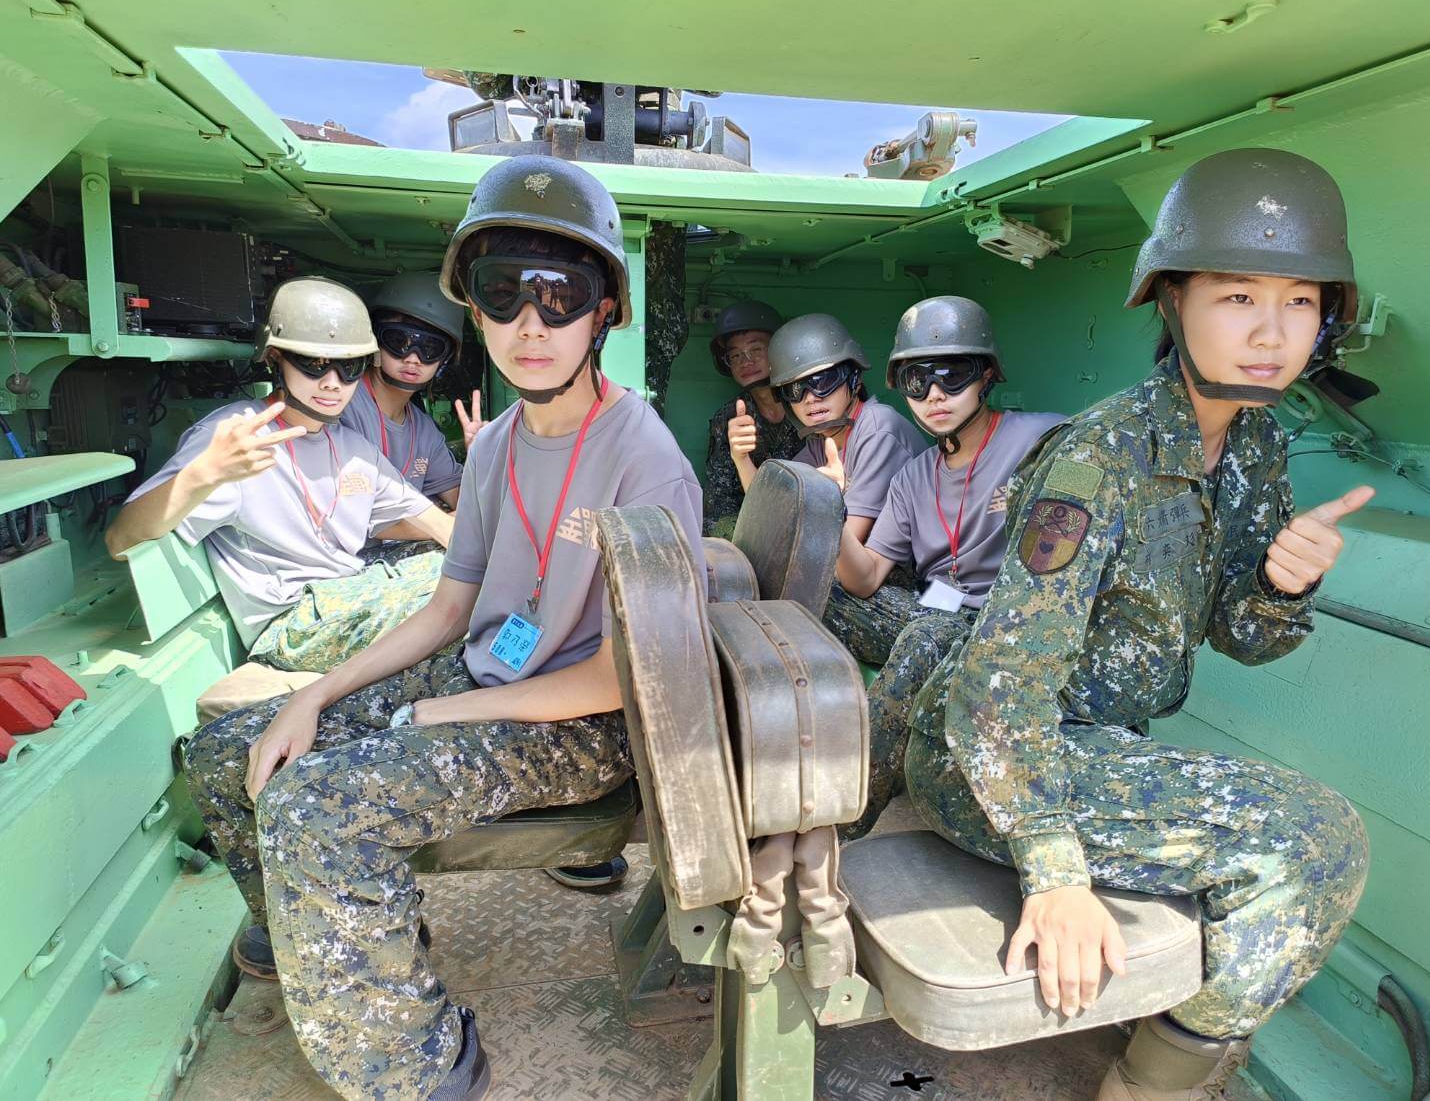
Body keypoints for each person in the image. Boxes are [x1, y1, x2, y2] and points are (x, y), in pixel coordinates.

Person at [182, 155, 702, 1101]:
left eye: (562, 296)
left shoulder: (648, 461)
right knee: (230, 754)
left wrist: (437, 718)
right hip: (487, 676)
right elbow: (451, 607)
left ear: (605, 312)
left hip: (582, 721)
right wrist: (318, 691)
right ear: (476, 310)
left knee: (318, 804)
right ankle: (339, 935)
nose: (531, 326)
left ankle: (415, 1063)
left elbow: (632, 680)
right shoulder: (499, 440)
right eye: (504, 296)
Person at [904, 149, 1373, 1100]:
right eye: (1238, 298)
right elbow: (1000, 686)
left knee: (1307, 833)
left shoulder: (1254, 441)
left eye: (1300, 302)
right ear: (1173, 302)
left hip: (1091, 749)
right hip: (994, 760)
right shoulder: (1097, 460)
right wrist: (1054, 872)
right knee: (1316, 839)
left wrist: (1283, 585)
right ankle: (1154, 1086)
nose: (1271, 333)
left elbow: (1242, 637)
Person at [105, 277, 453, 672]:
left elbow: (441, 527)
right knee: (461, 602)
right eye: (314, 365)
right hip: (293, 623)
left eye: (348, 368)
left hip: (351, 591)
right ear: (275, 360)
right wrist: (204, 473)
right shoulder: (235, 439)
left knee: (470, 577)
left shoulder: (353, 448)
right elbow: (120, 541)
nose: (332, 384)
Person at [826, 296, 1063, 837]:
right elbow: (862, 579)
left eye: (951, 375)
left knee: (924, 638)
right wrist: (833, 511)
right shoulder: (914, 476)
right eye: (915, 380)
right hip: (935, 616)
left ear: (986, 377)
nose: (933, 395)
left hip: (1008, 627)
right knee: (822, 592)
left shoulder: (1043, 441)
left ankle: (843, 815)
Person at [337, 271, 471, 564]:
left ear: (444, 360)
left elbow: (460, 498)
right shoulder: (341, 404)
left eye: (429, 348)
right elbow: (355, 519)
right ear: (376, 341)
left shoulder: (423, 430)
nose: (413, 358)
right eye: (399, 341)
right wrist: (447, 524)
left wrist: (481, 461)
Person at [701, 299, 802, 538]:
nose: (745, 361)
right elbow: (719, 503)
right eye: (735, 356)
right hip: (754, 531)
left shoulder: (808, 402)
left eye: (756, 350)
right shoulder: (729, 419)